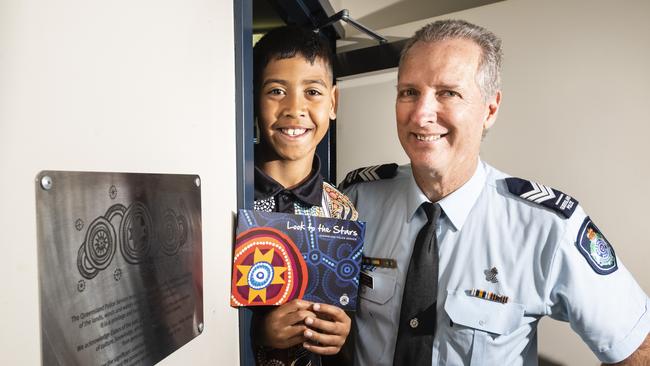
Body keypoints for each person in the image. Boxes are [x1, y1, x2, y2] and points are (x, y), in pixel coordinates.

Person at [341, 19, 650, 365]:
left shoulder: (547, 226)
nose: (421, 114)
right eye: (409, 92)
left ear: (490, 109)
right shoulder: (356, 201)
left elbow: (636, 346)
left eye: (448, 93)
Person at [251, 25, 355, 366]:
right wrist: (257, 332)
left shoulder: (341, 211)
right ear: (252, 98)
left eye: (312, 92)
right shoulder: (227, 199)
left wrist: (342, 331)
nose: (294, 109)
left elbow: (343, 308)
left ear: (334, 102)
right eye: (277, 91)